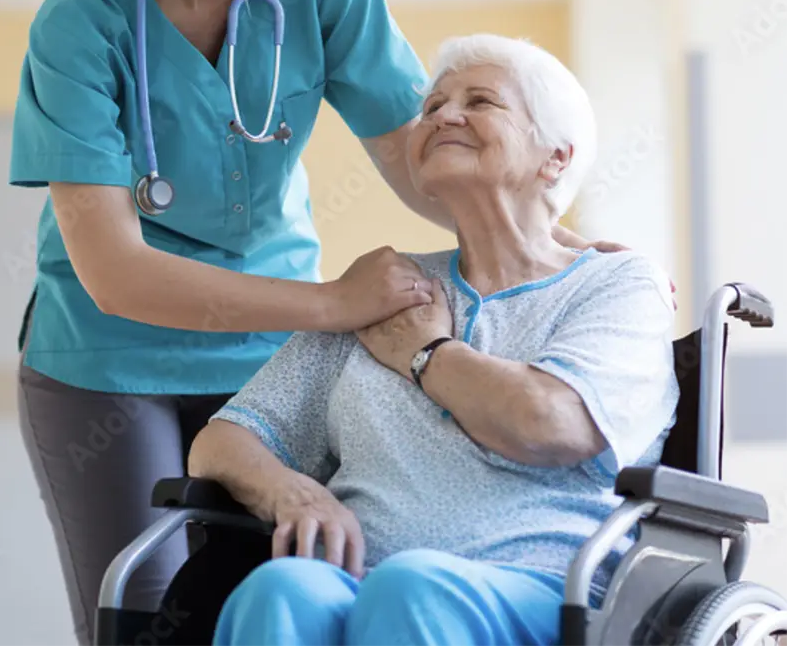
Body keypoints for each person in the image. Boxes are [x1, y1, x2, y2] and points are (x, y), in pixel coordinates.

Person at [10, 0, 616, 646]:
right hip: (108, 362)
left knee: (287, 597)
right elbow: (116, 273)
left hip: (269, 356)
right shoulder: (84, 16)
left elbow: (421, 156)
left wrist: (548, 245)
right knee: (146, 620)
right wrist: (334, 304)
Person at [188, 33, 680, 646]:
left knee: (410, 586)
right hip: (362, 581)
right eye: (432, 106)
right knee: (281, 590)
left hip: (546, 588)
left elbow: (551, 422)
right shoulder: (384, 291)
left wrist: (429, 356)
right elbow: (224, 440)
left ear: (555, 158)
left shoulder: (616, 285)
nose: (444, 114)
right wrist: (293, 493)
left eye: (480, 102)